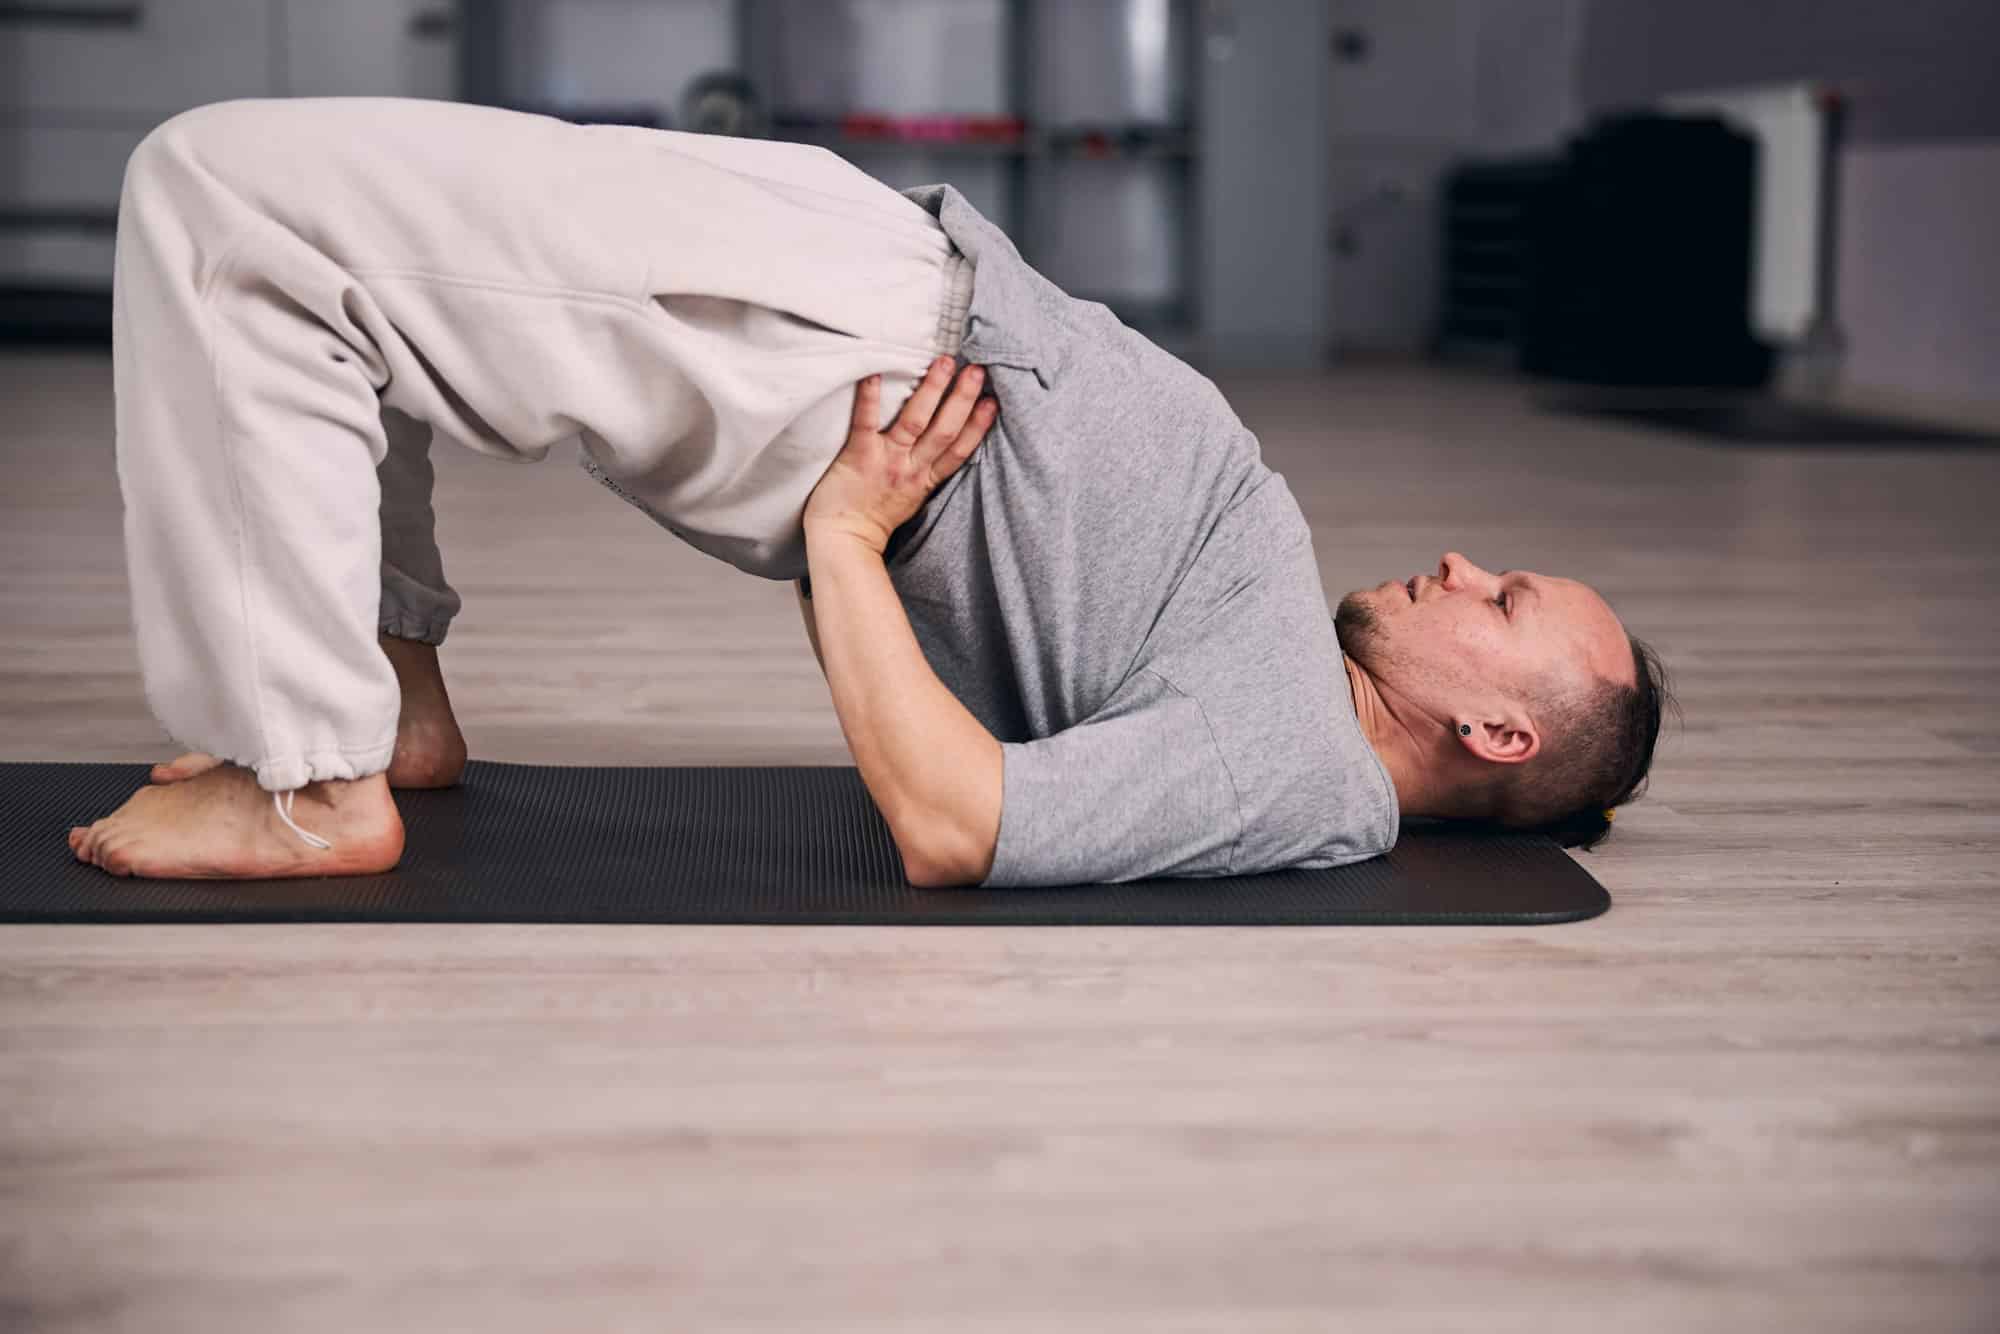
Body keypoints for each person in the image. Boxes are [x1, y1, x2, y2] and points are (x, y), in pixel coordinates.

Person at [68, 97, 1668, 887]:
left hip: (842, 355)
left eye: (1506, 599)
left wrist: (843, 530)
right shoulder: (1300, 704)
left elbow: (956, 822)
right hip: (861, 296)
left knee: (226, 194)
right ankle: (388, 698)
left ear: (1500, 733)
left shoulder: (1292, 767)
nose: (1466, 561)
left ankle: (306, 781)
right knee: (363, 269)